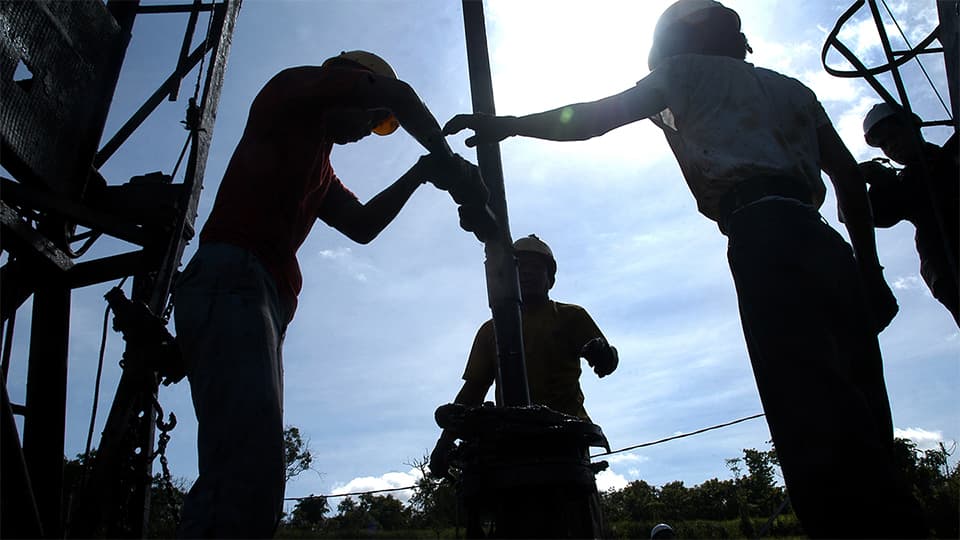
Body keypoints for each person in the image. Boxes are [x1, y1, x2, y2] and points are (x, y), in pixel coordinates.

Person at [442, 1, 926, 537]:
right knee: (864, 402)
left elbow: (593, 118)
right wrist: (871, 273)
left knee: (806, 408)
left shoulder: (681, 75)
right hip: (825, 243)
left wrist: (506, 124)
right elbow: (850, 183)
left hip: (762, 237)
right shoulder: (792, 89)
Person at [173, 50, 475, 538]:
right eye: (373, 117)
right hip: (233, 280)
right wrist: (449, 162)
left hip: (254, 297)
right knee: (243, 483)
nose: (367, 130)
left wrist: (421, 173)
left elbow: (361, 226)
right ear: (350, 80)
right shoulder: (291, 90)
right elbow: (398, 94)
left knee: (253, 480)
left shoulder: (319, 166)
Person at [429, 234, 618, 478]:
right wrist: (444, 444)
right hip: (510, 443)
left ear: (550, 279)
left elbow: (608, 362)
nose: (527, 272)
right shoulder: (491, 330)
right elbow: (473, 391)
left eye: (536, 267)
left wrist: (604, 354)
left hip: (565, 440)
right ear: (507, 276)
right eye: (519, 266)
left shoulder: (571, 317)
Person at [859, 102, 959, 325]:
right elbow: (865, 216)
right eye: (884, 144)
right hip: (945, 272)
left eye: (893, 136)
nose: (891, 146)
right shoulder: (903, 183)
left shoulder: (947, 160)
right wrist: (874, 182)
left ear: (913, 126)